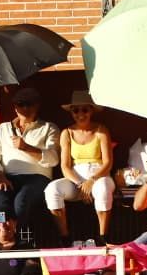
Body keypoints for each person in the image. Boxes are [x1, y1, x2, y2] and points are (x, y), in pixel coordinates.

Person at [0, 87, 59, 244]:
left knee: (20, 203)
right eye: (20, 104)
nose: (25, 108)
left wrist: (26, 147)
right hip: (7, 176)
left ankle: (18, 242)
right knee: (0, 199)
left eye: (29, 104)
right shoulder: (3, 129)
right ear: (15, 107)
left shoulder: (48, 128)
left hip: (37, 178)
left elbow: (53, 159)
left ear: (37, 105)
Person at [45, 92, 115, 242]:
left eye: (85, 110)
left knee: (103, 189)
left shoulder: (101, 130)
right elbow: (65, 166)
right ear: (71, 112)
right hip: (75, 179)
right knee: (52, 189)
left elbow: (108, 162)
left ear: (91, 111)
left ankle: (103, 237)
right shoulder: (67, 133)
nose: (80, 114)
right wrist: (80, 184)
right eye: (76, 110)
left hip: (99, 175)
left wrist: (92, 180)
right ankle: (65, 238)